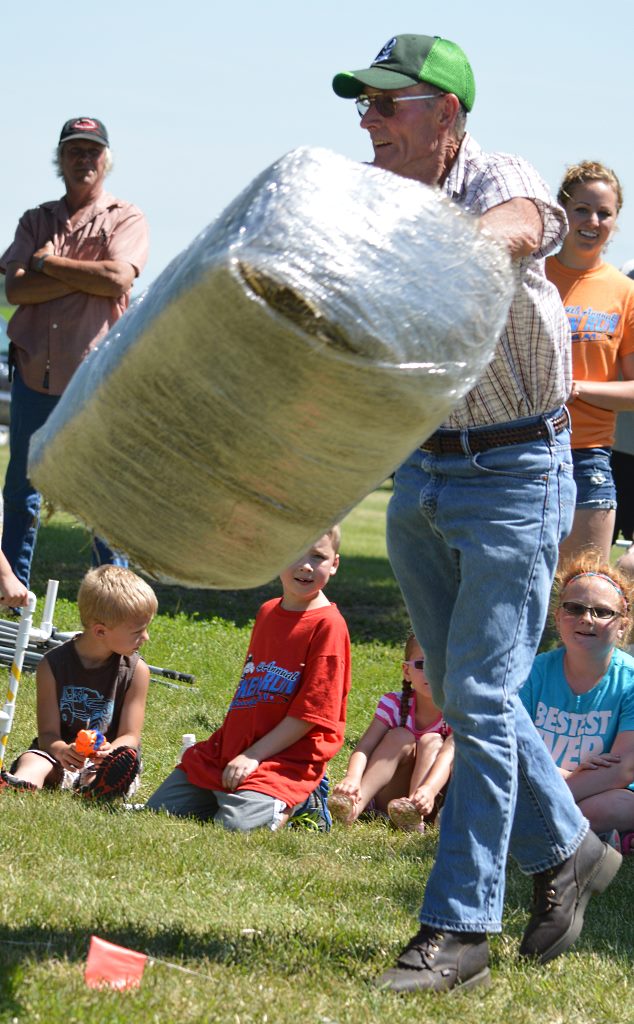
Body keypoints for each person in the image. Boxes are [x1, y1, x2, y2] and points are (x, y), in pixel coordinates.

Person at [332, 34, 621, 994]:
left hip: (515, 473)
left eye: (388, 104)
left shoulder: (490, 172)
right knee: (461, 696)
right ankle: (571, 850)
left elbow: (522, 223)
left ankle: (458, 933)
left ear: (446, 115)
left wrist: (427, 249)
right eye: (363, 106)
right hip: (422, 475)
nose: (368, 121)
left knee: (486, 700)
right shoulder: (372, 205)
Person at [0, 116, 149, 588]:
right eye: (74, 151)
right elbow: (17, 291)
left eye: (92, 151)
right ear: (59, 160)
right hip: (33, 375)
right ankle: (10, 593)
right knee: (21, 490)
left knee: (103, 490)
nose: (83, 159)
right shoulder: (35, 219)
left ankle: (114, 595)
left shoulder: (126, 217)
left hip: (95, 377)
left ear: (106, 160)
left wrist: (47, 263)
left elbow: (117, 280)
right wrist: (81, 277)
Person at [146, 528, 351, 832]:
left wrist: (253, 757)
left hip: (286, 761)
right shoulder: (268, 611)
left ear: (334, 563)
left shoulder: (328, 626)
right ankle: (236, 794)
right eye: (295, 553)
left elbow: (310, 716)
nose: (306, 565)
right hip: (229, 752)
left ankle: (304, 798)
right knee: (161, 810)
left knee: (234, 827)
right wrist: (239, 753)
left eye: (318, 556)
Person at [1, 564, 157, 799]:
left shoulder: (136, 671)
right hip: (59, 756)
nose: (145, 637)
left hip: (106, 761)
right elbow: (47, 734)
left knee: (116, 768)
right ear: (101, 632)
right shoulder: (51, 665)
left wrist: (108, 751)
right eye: (138, 631)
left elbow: (130, 736)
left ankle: (97, 788)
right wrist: (63, 751)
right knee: (33, 759)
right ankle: (23, 782)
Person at [545, 162, 634, 562]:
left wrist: (576, 388)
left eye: (604, 213)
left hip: (589, 453)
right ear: (561, 209)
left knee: (581, 589)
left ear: (616, 221)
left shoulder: (624, 291)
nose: (592, 221)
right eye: (582, 209)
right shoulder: (532, 273)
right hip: (521, 448)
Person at [521, 553, 634, 855]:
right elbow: (514, 748)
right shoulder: (533, 672)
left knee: (614, 806)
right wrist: (565, 776)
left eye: (602, 612)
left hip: (605, 791)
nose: (586, 618)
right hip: (544, 780)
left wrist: (554, 797)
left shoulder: (631, 681)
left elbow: (624, 769)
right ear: (558, 617)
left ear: (623, 626)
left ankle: (538, 826)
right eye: (575, 608)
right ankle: (592, 837)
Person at [330, 634, 453, 831]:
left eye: (440, 663)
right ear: (406, 671)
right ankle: (355, 807)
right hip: (389, 796)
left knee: (432, 740)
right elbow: (364, 747)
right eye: (422, 664)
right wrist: (352, 777)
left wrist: (428, 791)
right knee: (400, 736)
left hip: (429, 800)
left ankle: (414, 816)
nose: (432, 671)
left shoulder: (456, 712)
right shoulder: (393, 704)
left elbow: (448, 758)